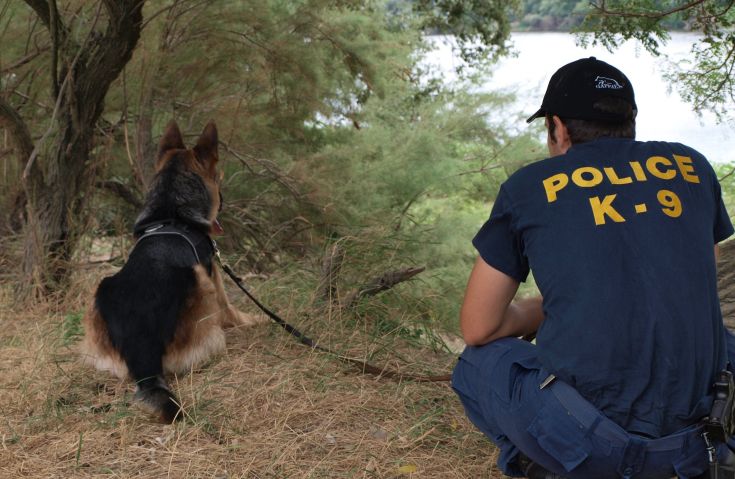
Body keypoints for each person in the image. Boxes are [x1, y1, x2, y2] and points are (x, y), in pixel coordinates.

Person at [451, 56, 735, 478]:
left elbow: (479, 327)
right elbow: (700, 280)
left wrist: (549, 307)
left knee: (476, 364)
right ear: (631, 118)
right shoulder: (691, 166)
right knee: (723, 338)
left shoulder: (528, 187)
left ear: (558, 128)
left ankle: (542, 463)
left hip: (596, 445)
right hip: (697, 443)